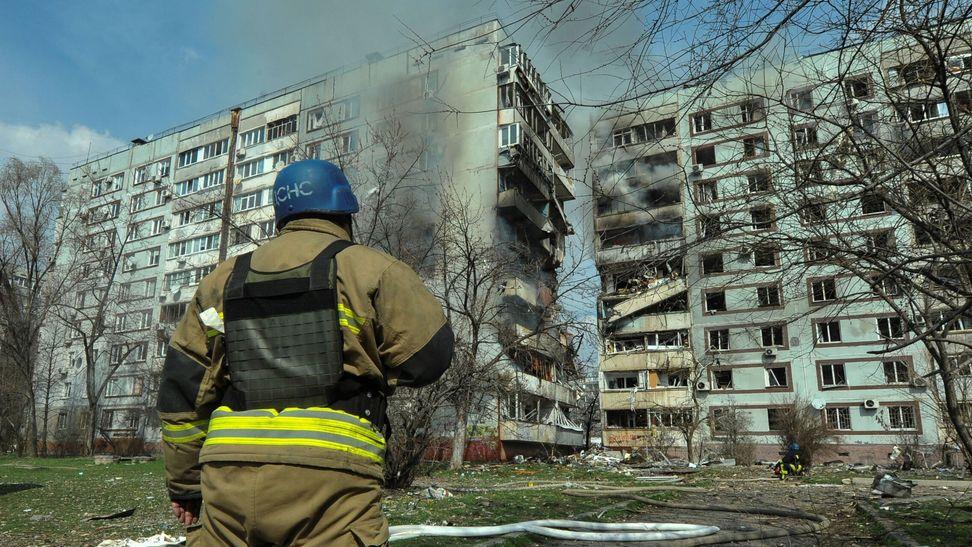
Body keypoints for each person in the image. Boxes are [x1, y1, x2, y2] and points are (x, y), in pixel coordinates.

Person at [157, 159, 454, 546]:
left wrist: (185, 487)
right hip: (332, 480)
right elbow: (430, 356)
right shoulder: (371, 269)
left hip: (227, 477)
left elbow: (182, 392)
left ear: (281, 217)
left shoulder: (221, 280)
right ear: (345, 213)